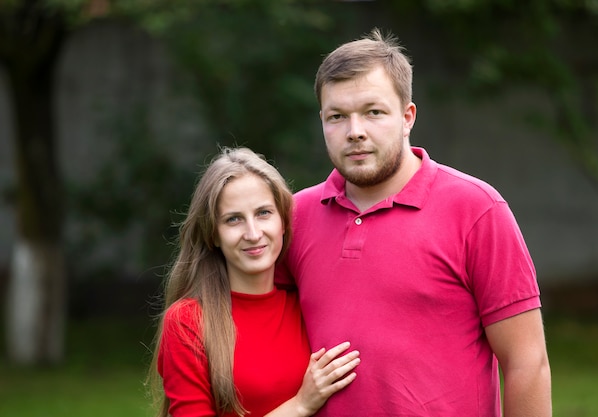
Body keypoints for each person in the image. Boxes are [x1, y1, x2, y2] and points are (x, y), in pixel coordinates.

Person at [276, 29, 552, 416]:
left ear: (407, 118)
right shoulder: (292, 216)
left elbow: (527, 363)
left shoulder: (477, 210)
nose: (355, 131)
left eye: (373, 112)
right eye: (337, 116)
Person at [147, 147, 361, 417]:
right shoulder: (187, 322)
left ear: (283, 221)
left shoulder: (306, 305)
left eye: (263, 213)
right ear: (213, 234)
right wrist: (300, 405)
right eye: (233, 219)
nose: (252, 233)